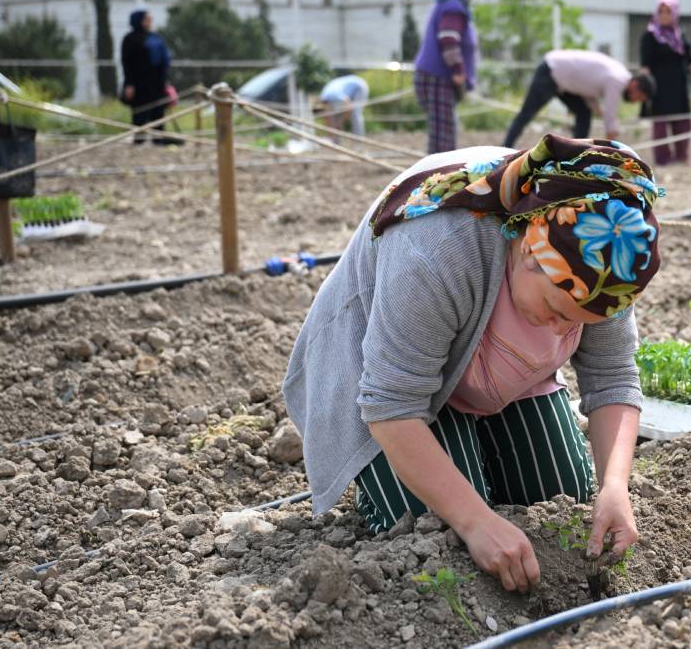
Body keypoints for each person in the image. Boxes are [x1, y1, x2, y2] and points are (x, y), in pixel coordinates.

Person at [283, 134, 662, 593]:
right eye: (558, 312)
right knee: (436, 530)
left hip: (500, 370)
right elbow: (391, 406)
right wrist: (476, 521)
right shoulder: (437, 248)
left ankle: (477, 446)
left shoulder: (605, 258)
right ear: (528, 252)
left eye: (577, 323)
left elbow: (614, 378)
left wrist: (615, 486)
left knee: (563, 495)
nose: (564, 332)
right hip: (390, 389)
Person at [503, 50, 656, 148]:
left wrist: (597, 109)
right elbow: (611, 116)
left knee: (584, 112)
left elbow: (588, 88)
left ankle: (576, 152)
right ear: (635, 86)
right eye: (639, 98)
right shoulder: (617, 80)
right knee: (526, 113)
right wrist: (610, 147)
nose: (636, 101)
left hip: (566, 82)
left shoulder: (619, 74)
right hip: (552, 70)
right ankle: (506, 147)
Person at [414, 0, 482, 153]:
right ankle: (440, 176)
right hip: (438, 77)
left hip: (434, 76)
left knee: (440, 133)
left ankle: (435, 174)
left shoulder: (447, 5)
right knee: (444, 135)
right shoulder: (453, 7)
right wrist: (458, 71)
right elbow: (448, 39)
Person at [639, 0, 691, 166]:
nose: (664, 15)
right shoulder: (650, 36)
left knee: (683, 123)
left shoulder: (680, 36)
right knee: (660, 125)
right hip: (658, 88)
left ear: (675, 13)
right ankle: (663, 160)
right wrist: (645, 89)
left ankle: (681, 157)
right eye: (661, 11)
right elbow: (645, 65)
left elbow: (690, 60)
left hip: (679, 87)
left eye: (668, 11)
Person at [120, 10, 175, 145]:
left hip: (157, 84)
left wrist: (165, 81)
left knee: (158, 112)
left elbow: (164, 60)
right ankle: (139, 140)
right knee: (140, 112)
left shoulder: (155, 37)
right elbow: (127, 63)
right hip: (139, 84)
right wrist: (129, 84)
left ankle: (158, 139)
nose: (150, 21)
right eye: (147, 19)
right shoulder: (130, 39)